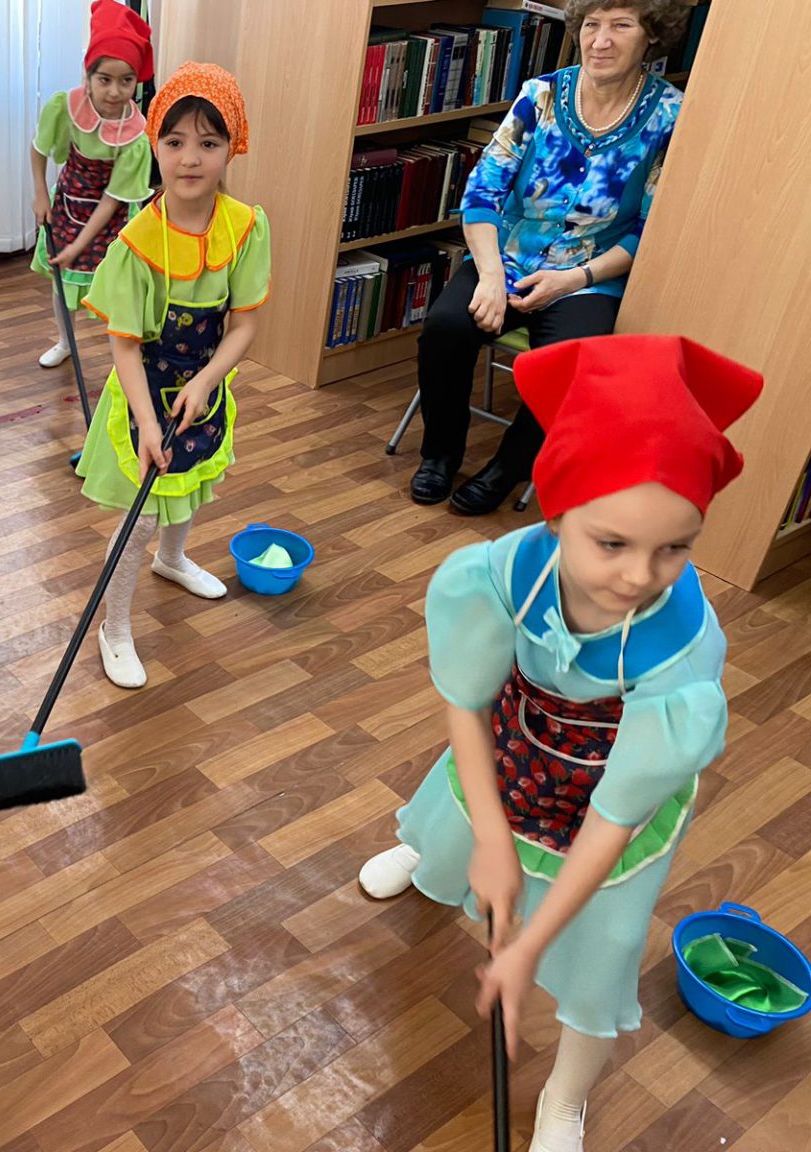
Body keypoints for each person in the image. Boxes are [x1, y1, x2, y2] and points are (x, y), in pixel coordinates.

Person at [360, 334, 763, 1152]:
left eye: (675, 547)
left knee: (602, 951)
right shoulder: (507, 570)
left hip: (613, 791)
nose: (640, 577)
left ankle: (565, 1098)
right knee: (458, 823)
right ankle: (431, 856)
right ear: (556, 513)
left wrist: (528, 949)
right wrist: (492, 839)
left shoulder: (682, 653)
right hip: (516, 739)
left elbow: (615, 816)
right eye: (612, 543)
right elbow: (466, 703)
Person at [410, 0, 692, 515]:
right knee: (446, 328)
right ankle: (440, 453)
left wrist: (573, 279)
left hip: (591, 273)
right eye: (592, 25)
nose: (600, 41)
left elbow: (650, 233)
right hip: (508, 257)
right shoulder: (538, 96)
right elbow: (481, 194)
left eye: (621, 26)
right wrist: (490, 278)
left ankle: (507, 469)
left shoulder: (672, 116)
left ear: (652, 35)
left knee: (570, 364)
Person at [75, 62, 270, 689]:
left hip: (201, 387)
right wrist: (147, 421)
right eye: (176, 141)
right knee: (140, 518)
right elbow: (124, 347)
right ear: (154, 145)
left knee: (189, 482)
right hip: (142, 392)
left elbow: (243, 325)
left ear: (231, 148)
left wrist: (208, 380)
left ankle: (174, 559)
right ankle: (115, 629)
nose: (190, 158)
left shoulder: (245, 227)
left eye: (209, 143)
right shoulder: (136, 244)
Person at [30, 0, 154, 370]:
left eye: (126, 81)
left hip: (111, 216)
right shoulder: (64, 107)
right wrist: (40, 194)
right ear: (88, 76)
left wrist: (80, 245)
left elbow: (113, 200)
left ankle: (124, 358)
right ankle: (64, 341)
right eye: (104, 80)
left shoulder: (136, 138)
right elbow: (39, 150)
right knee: (61, 281)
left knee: (116, 289)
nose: (115, 92)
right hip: (68, 204)